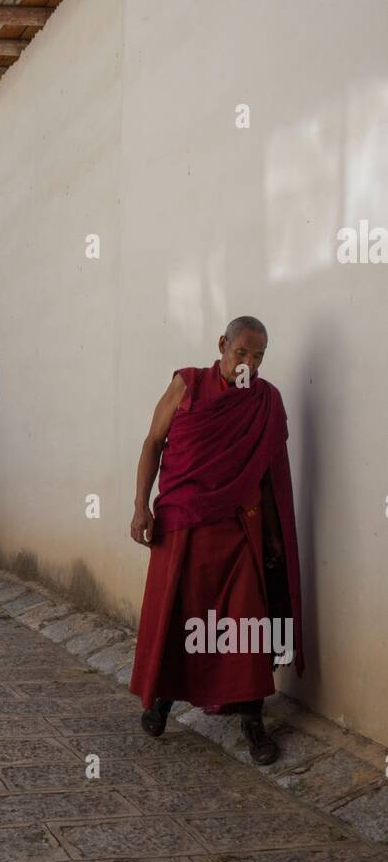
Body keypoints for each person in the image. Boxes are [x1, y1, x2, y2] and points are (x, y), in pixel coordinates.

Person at [129, 317, 303, 765]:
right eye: (242, 352)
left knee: (245, 623)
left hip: (238, 527)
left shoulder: (265, 401)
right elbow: (152, 442)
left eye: (259, 356)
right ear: (222, 345)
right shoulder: (186, 385)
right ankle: (162, 700)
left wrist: (275, 536)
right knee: (177, 615)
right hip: (181, 523)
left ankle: (252, 720)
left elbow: (267, 472)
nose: (250, 363)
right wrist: (140, 505)